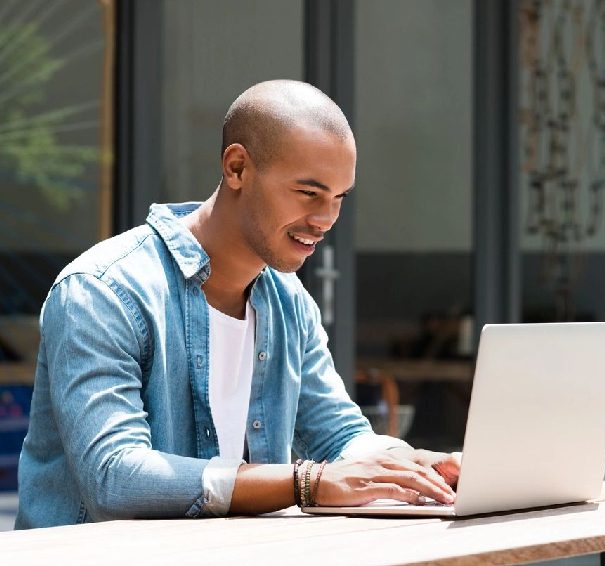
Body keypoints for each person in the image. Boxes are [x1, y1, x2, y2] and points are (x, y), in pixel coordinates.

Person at [15, 80, 460, 529]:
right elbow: (114, 477)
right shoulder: (103, 291)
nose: (325, 219)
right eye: (308, 193)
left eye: (339, 198)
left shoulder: (289, 303)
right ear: (237, 167)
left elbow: (339, 435)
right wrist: (306, 482)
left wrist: (416, 466)